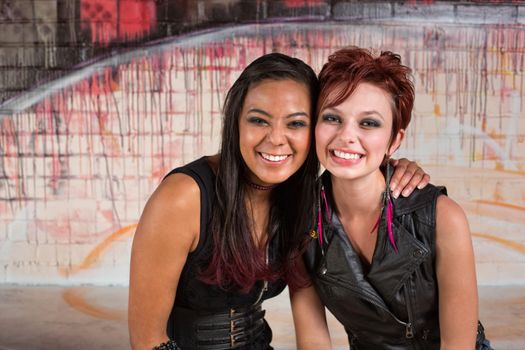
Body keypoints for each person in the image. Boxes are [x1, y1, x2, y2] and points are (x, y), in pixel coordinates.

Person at [128, 52, 429, 350]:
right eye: (258, 120)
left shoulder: (302, 199)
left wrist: (390, 166)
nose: (275, 139)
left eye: (296, 123)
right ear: (236, 123)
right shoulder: (185, 196)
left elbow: (310, 329)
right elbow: (148, 341)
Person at [291, 47, 491, 350]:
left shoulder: (442, 218)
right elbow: (313, 340)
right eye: (332, 117)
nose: (346, 136)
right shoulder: (299, 223)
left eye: (369, 123)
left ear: (394, 140)